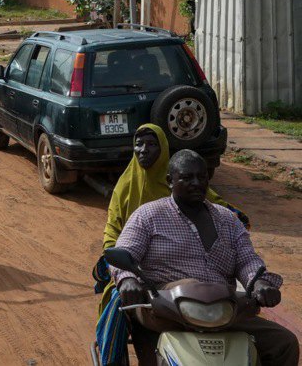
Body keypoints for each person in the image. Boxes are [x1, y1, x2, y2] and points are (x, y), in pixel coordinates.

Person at [112, 149, 298, 366]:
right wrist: (128, 280)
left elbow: (247, 260)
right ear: (170, 181)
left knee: (285, 343)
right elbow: (124, 253)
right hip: (165, 309)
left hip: (221, 310)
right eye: (187, 177)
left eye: (202, 177)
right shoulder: (147, 215)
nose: (196, 183)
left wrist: (259, 282)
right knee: (192, 285)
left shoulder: (228, 219)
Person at [93, 124, 249, 365]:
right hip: (149, 278)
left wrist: (235, 215)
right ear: (171, 181)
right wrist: (124, 273)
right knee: (117, 308)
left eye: (152, 144)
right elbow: (113, 231)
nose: (144, 150)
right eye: (139, 144)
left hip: (212, 296)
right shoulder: (131, 195)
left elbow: (217, 205)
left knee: (278, 341)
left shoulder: (206, 203)